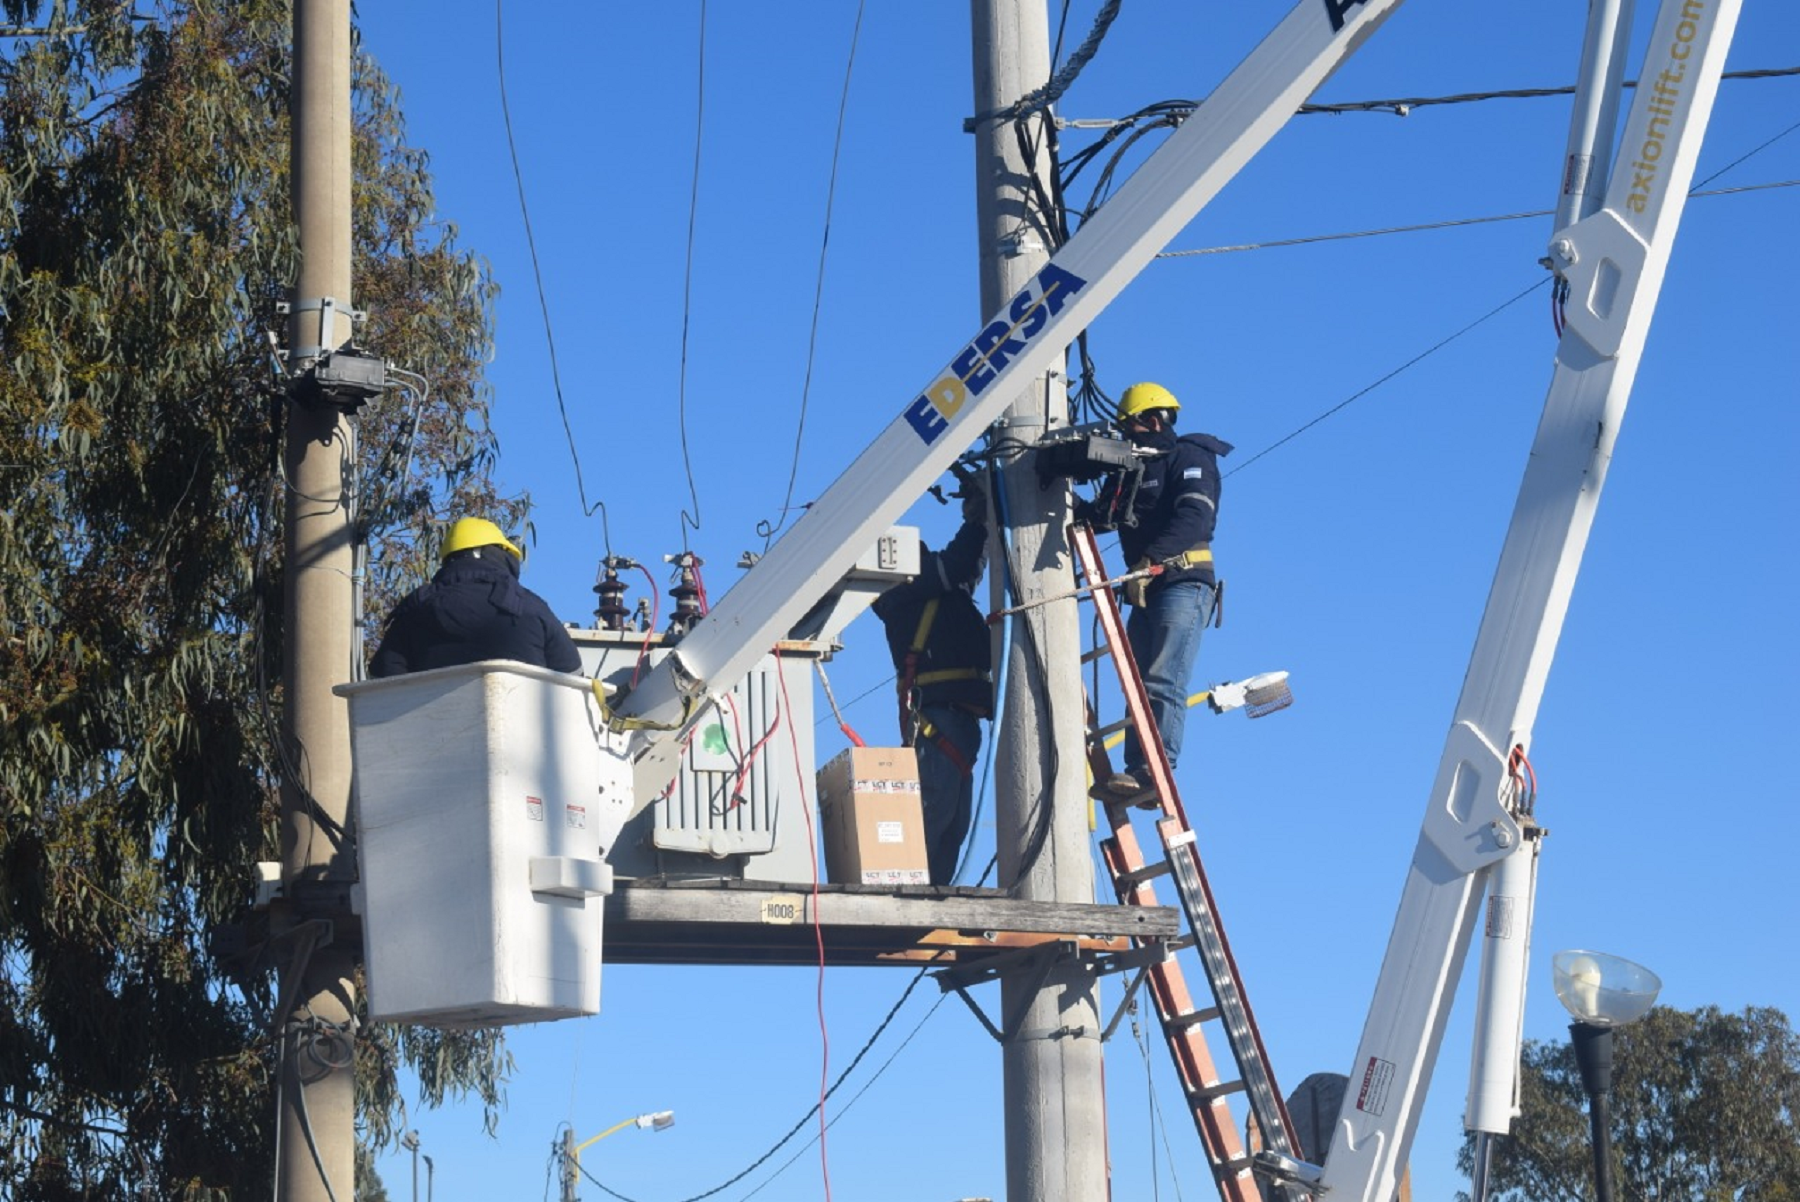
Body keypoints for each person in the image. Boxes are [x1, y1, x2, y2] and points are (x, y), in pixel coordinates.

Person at [1086, 382, 1231, 800]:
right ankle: (1139, 772)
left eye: (1132, 428)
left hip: (1182, 584)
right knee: (1137, 681)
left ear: (1154, 420)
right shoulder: (1135, 470)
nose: (1128, 438)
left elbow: (1195, 520)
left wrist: (1148, 561)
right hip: (1146, 586)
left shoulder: (1189, 457)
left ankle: (1155, 771)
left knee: (1161, 679)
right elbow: (1103, 516)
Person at [870, 477, 993, 885]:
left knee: (953, 826)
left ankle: (935, 892)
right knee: (934, 815)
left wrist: (982, 521)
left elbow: (966, 571)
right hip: (938, 717)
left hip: (959, 719)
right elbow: (956, 563)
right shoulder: (897, 590)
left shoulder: (933, 593)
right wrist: (977, 520)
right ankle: (915, 893)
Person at [370, 516, 582, 678]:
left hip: (432, 733)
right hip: (525, 732)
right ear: (499, 554)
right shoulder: (529, 606)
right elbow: (573, 676)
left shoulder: (413, 611)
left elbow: (383, 682)